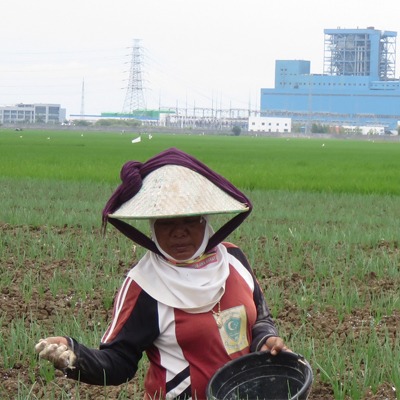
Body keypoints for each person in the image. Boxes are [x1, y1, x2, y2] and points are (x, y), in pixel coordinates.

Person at [35, 147, 289, 399]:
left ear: (206, 220)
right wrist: (75, 355)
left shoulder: (233, 260)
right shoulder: (144, 285)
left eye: (190, 220)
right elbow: (119, 360)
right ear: (153, 228)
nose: (179, 232)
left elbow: (260, 317)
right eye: (166, 223)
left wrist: (265, 339)